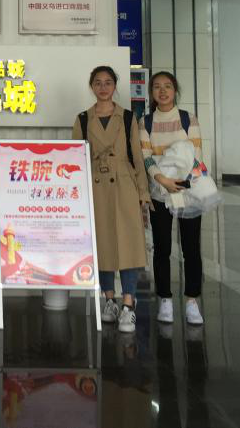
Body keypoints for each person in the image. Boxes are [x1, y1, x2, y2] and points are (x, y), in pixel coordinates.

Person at [73, 65, 150, 333]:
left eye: (108, 82)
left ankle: (128, 304)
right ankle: (109, 300)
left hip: (125, 185)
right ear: (91, 86)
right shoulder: (83, 119)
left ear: (115, 86)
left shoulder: (127, 117)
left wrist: (143, 193)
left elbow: (137, 157)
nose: (103, 87)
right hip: (96, 186)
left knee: (129, 245)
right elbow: (75, 160)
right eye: (98, 82)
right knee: (103, 244)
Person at [140, 71, 205, 327]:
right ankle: (165, 299)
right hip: (159, 193)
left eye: (167, 86)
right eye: (157, 87)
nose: (163, 91)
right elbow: (146, 157)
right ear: (151, 92)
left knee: (191, 249)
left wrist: (180, 181)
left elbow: (197, 155)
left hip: (188, 192)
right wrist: (162, 179)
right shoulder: (145, 122)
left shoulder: (188, 119)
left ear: (175, 90)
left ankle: (192, 301)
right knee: (162, 248)